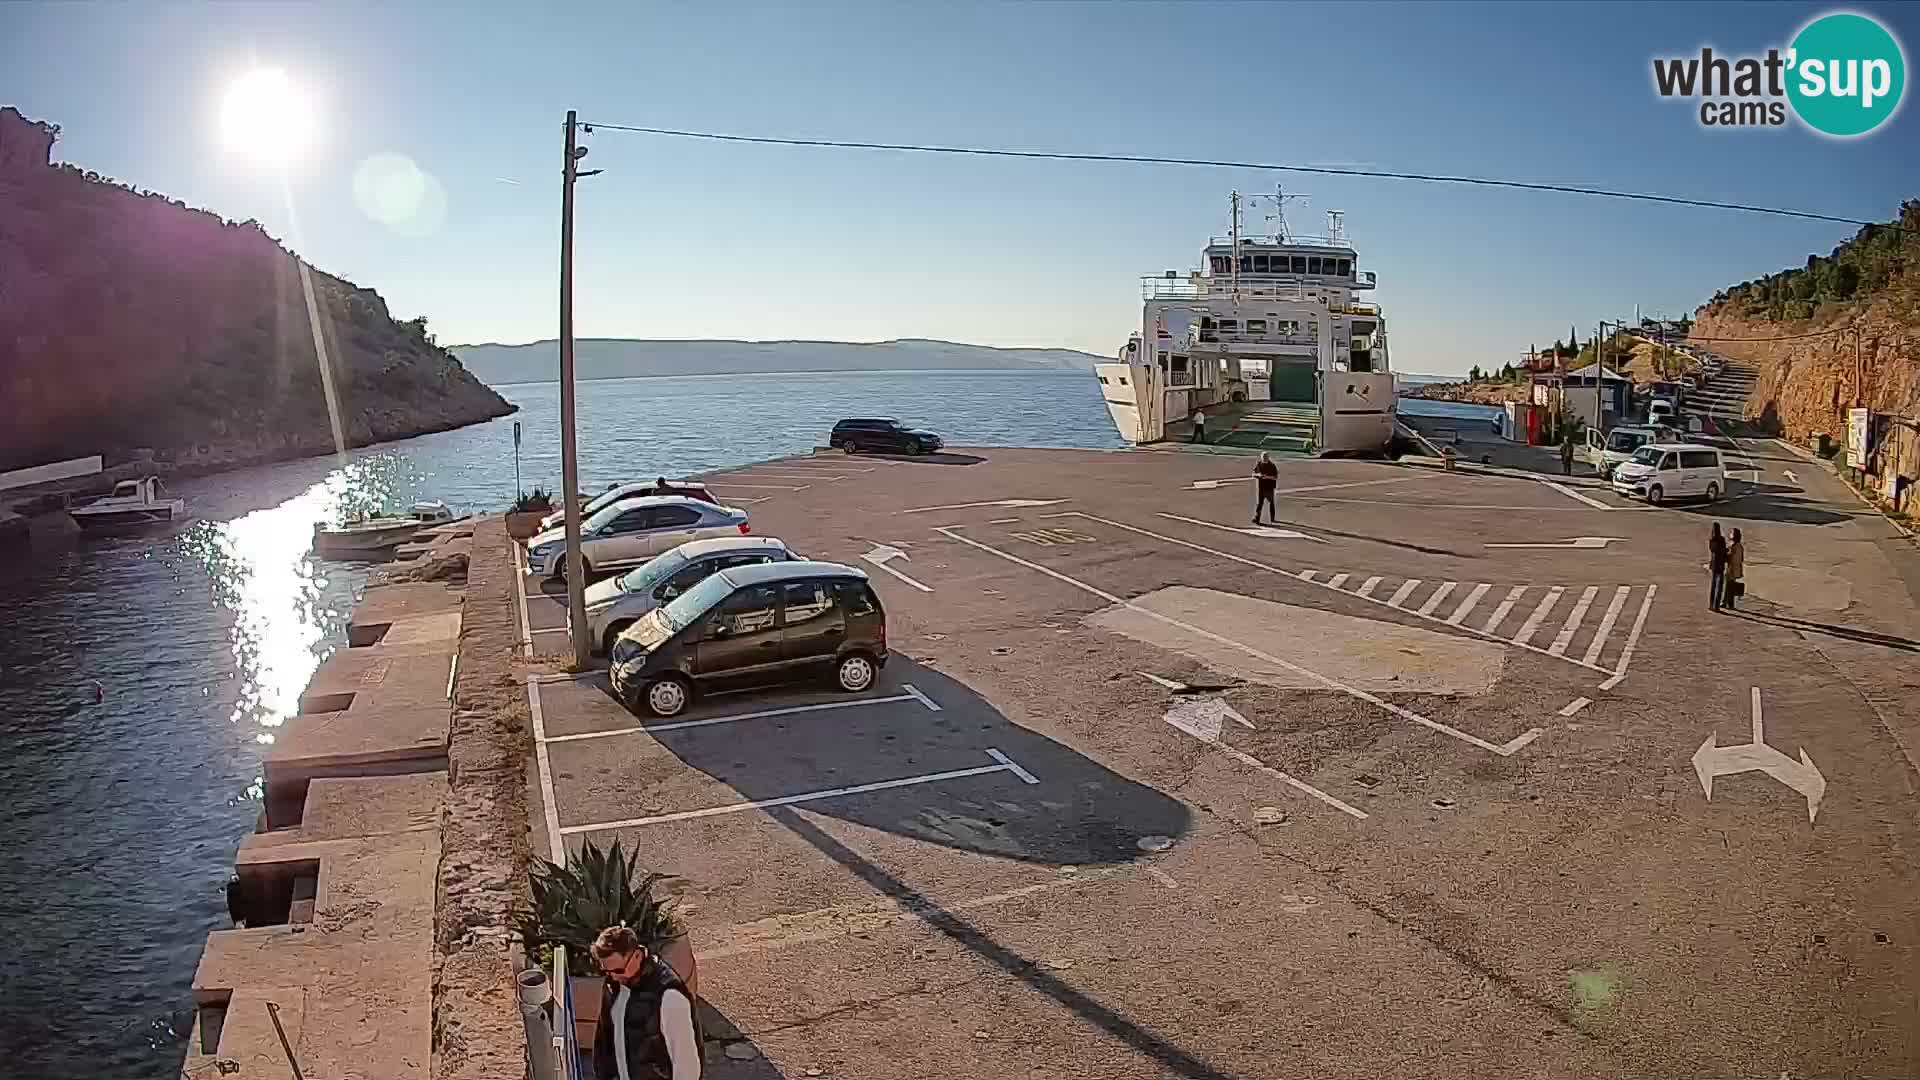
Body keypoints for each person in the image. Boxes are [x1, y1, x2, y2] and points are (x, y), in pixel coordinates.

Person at [591, 926, 702, 1080]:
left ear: (637, 956)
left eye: (618, 970)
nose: (614, 977)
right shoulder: (613, 985)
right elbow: (604, 1042)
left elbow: (687, 1065)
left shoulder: (669, 997)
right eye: (606, 971)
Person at [1707, 522, 1728, 613]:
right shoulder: (1721, 540)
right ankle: (1716, 606)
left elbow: (1713, 551)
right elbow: (1723, 551)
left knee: (1713, 585)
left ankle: (1711, 605)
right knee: (1719, 586)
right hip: (1720, 565)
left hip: (1714, 564)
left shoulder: (1712, 540)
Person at [1252, 451, 1279, 524]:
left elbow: (1275, 477)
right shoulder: (1259, 464)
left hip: (1269, 487)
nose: (1264, 459)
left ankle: (1272, 518)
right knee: (1259, 503)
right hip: (1261, 487)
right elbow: (1253, 474)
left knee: (1271, 502)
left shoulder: (1272, 466)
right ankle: (1257, 518)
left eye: (1265, 457)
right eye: (1263, 457)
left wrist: (1267, 477)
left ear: (1268, 458)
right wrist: (1258, 475)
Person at [1724, 528, 1745, 610]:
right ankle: (1728, 603)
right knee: (1730, 586)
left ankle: (1728, 603)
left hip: (1731, 569)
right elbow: (1741, 559)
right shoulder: (1740, 546)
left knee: (1729, 587)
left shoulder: (1733, 546)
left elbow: (1729, 557)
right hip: (1736, 569)